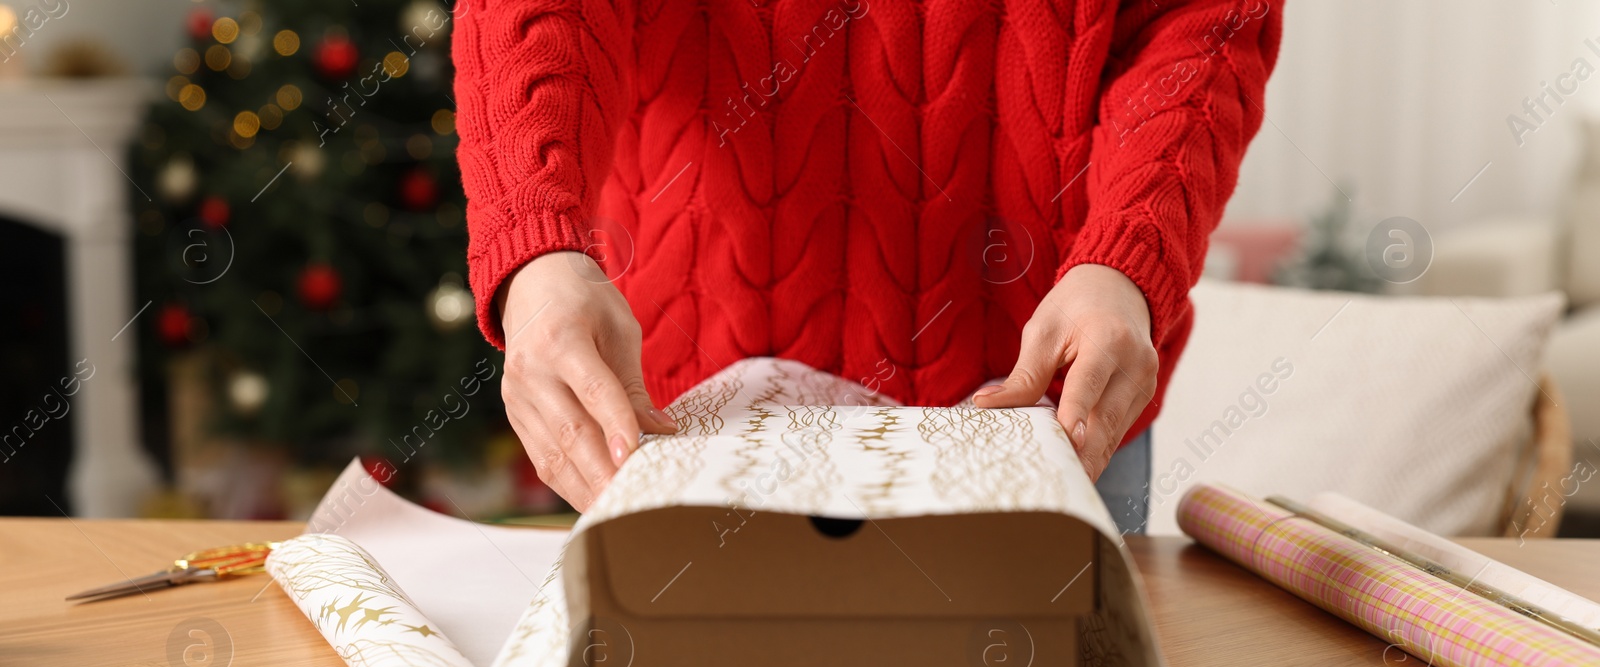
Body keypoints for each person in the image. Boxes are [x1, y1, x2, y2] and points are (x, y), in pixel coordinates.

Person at [452, 0, 1282, 532]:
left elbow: (1201, 24)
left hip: (1051, 406)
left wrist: (1128, 256)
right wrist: (538, 240)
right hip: (694, 420)